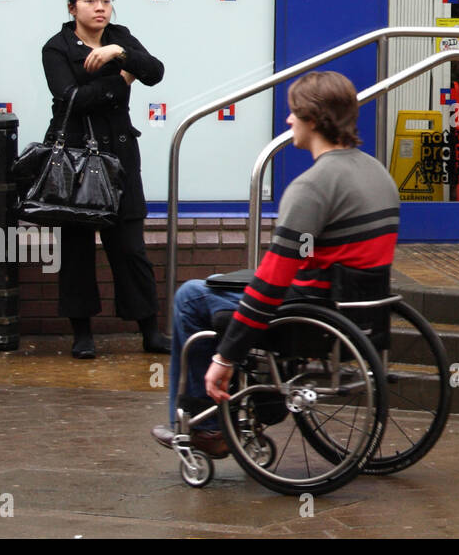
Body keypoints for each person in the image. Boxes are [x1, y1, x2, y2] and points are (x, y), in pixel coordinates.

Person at [151, 71, 399, 458]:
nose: (288, 121)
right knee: (230, 285)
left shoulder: (312, 187)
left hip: (306, 318)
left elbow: (273, 283)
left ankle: (207, 426)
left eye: (293, 113)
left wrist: (225, 356)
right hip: (360, 315)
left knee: (191, 296)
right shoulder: (378, 174)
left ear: (313, 120)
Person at [41, 0, 168, 360]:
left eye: (106, 0)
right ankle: (82, 334)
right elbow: (70, 98)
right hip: (76, 159)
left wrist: (119, 54)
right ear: (72, 7)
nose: (100, 7)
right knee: (77, 249)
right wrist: (120, 84)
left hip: (120, 158)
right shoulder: (56, 47)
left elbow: (156, 71)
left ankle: (149, 330)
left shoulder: (120, 35)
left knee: (130, 248)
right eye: (91, 0)